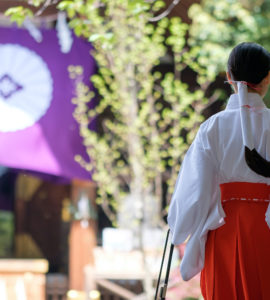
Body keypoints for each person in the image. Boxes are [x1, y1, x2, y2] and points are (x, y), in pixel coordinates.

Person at [167, 42, 270, 299]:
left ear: (229, 77)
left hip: (223, 227)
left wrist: (178, 228)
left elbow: (195, 190)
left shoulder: (212, 128)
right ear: (267, 78)